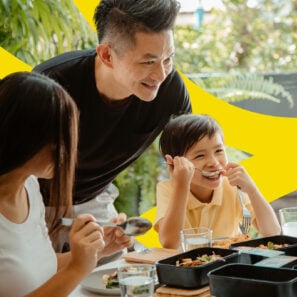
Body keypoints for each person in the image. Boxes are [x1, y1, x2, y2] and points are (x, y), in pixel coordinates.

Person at [33, 0, 191, 251]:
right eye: (148, 62)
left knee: (114, 280)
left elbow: (192, 157)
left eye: (168, 59)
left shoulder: (170, 90)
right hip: (30, 202)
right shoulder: (52, 85)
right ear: (106, 54)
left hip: (96, 201)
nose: (161, 74)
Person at [0, 71, 132, 297]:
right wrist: (77, 268)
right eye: (58, 140)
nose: (66, 153)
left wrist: (95, 252)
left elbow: (40, 269)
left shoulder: (30, 187)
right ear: (22, 136)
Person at [154, 114, 281, 249]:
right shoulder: (169, 189)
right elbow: (170, 243)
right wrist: (181, 185)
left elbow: (272, 232)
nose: (214, 163)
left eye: (219, 150)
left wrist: (252, 189)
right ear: (173, 163)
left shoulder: (231, 185)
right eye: (200, 155)